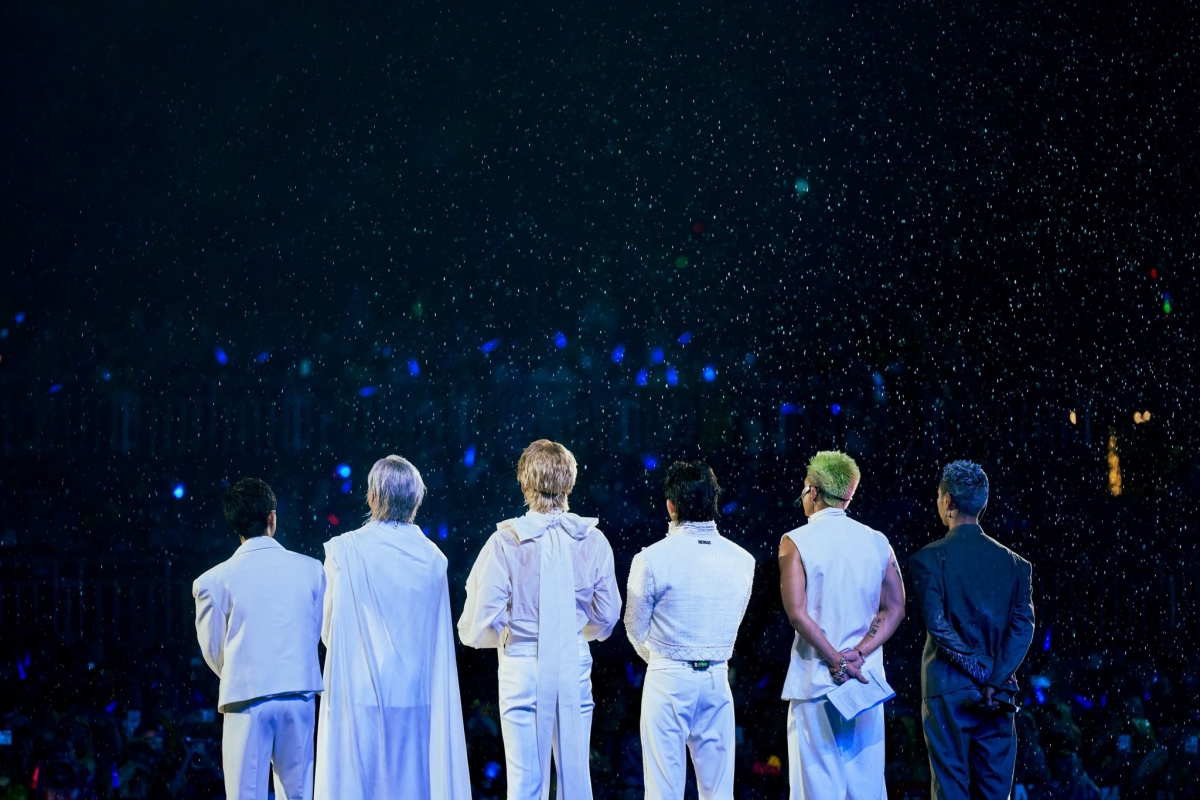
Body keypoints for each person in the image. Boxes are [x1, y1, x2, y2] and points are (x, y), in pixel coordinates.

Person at [459, 439, 621, 800]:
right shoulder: (593, 541)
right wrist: (572, 633)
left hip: (523, 663)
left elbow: (479, 621)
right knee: (575, 777)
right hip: (572, 661)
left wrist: (506, 636)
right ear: (570, 483)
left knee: (525, 783)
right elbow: (607, 616)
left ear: (524, 484)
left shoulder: (505, 542)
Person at [315, 455, 471, 800]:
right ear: (415, 501)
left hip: (360, 696)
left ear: (372, 497)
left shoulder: (344, 550)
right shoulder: (433, 558)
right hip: (415, 696)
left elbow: (329, 630)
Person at [624, 461, 756, 800]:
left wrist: (662, 659)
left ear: (671, 506)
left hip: (668, 678)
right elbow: (733, 623)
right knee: (719, 793)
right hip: (716, 680)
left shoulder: (650, 559)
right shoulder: (743, 560)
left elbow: (634, 628)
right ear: (714, 501)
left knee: (663, 791)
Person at [778, 451, 905, 800]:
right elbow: (895, 608)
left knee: (817, 790)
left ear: (814, 492)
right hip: (864, 683)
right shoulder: (877, 541)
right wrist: (858, 654)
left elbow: (797, 612)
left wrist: (835, 659)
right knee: (865, 790)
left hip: (816, 681)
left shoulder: (795, 540)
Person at [192, 477, 324, 800]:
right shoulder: (312, 570)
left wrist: (245, 669)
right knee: (299, 795)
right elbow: (312, 634)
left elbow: (214, 652)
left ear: (235, 525)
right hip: (298, 692)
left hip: (245, 698)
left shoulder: (212, 581)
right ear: (272, 518)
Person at [910, 461, 1034, 800]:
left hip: (947, 688)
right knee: (995, 792)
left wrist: (980, 671)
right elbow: (1023, 629)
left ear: (948, 501)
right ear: (984, 503)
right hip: (999, 692)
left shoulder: (927, 559)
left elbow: (937, 625)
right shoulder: (1016, 564)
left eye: (939, 497)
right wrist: (995, 678)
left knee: (950, 790)